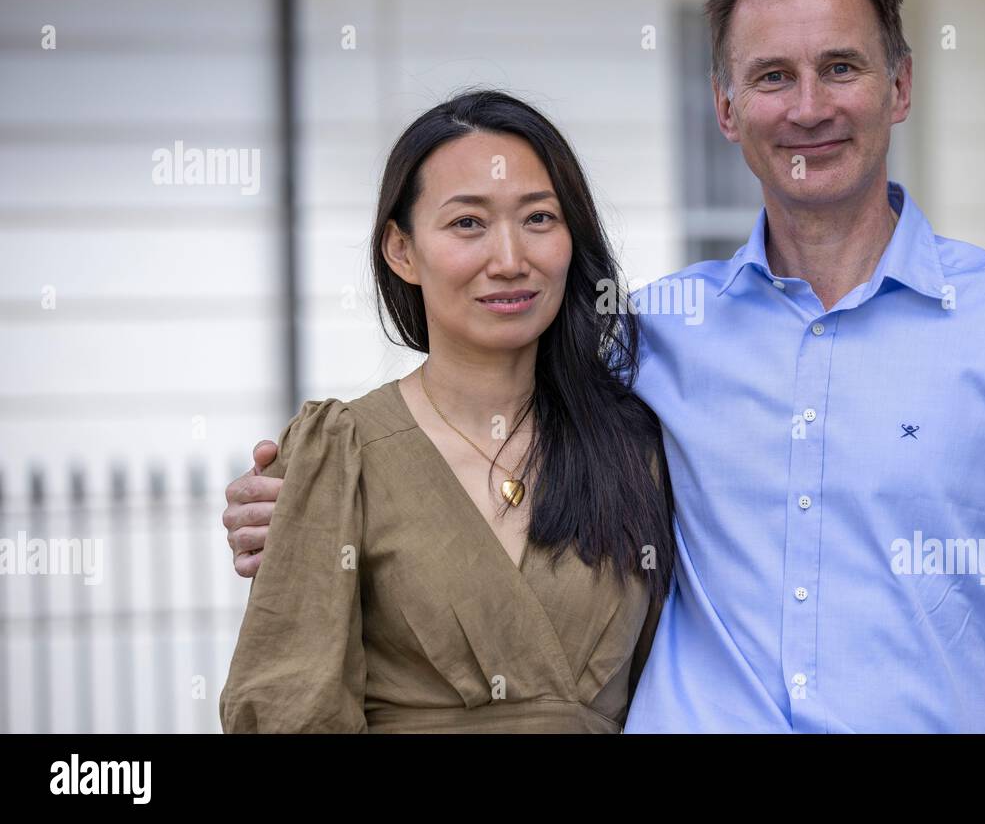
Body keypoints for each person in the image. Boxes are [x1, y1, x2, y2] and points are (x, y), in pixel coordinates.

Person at [225, 0, 985, 733]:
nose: (808, 107)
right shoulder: (651, 338)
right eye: (771, 77)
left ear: (900, 85)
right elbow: (468, 417)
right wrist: (310, 501)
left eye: (841, 66)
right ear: (724, 108)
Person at [219, 89, 674, 732]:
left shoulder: (637, 446)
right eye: (468, 223)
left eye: (540, 219)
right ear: (402, 250)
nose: (511, 260)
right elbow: (292, 707)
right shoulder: (340, 453)